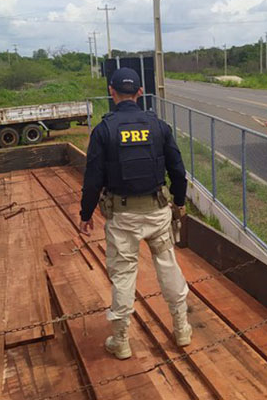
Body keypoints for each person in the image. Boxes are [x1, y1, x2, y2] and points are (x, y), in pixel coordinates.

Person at [79, 67, 192, 360]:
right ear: (140, 93)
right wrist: (179, 202)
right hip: (157, 212)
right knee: (168, 266)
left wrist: (86, 213)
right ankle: (181, 330)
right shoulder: (158, 126)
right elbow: (178, 171)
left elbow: (92, 178)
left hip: (122, 219)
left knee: (124, 275)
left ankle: (121, 341)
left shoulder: (103, 131)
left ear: (111, 92)